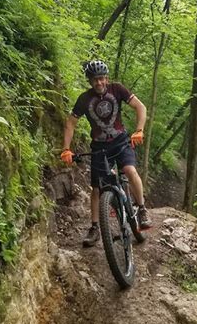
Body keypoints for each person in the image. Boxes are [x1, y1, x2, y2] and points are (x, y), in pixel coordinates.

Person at [60, 59, 152, 247]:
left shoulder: (117, 89)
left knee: (129, 170)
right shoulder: (84, 99)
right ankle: (95, 228)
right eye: (95, 80)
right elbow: (70, 123)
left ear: (107, 78)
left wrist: (139, 129)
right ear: (90, 81)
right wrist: (66, 149)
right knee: (96, 189)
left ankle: (142, 209)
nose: (99, 83)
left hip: (121, 142)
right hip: (99, 148)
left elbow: (140, 107)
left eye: (101, 79)